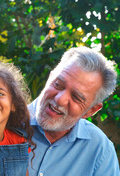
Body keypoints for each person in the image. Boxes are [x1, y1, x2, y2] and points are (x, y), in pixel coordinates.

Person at [28, 47, 119, 176]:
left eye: (76, 97)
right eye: (58, 84)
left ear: (91, 110)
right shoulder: (1, 122)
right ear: (51, 76)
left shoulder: (100, 151)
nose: (60, 100)